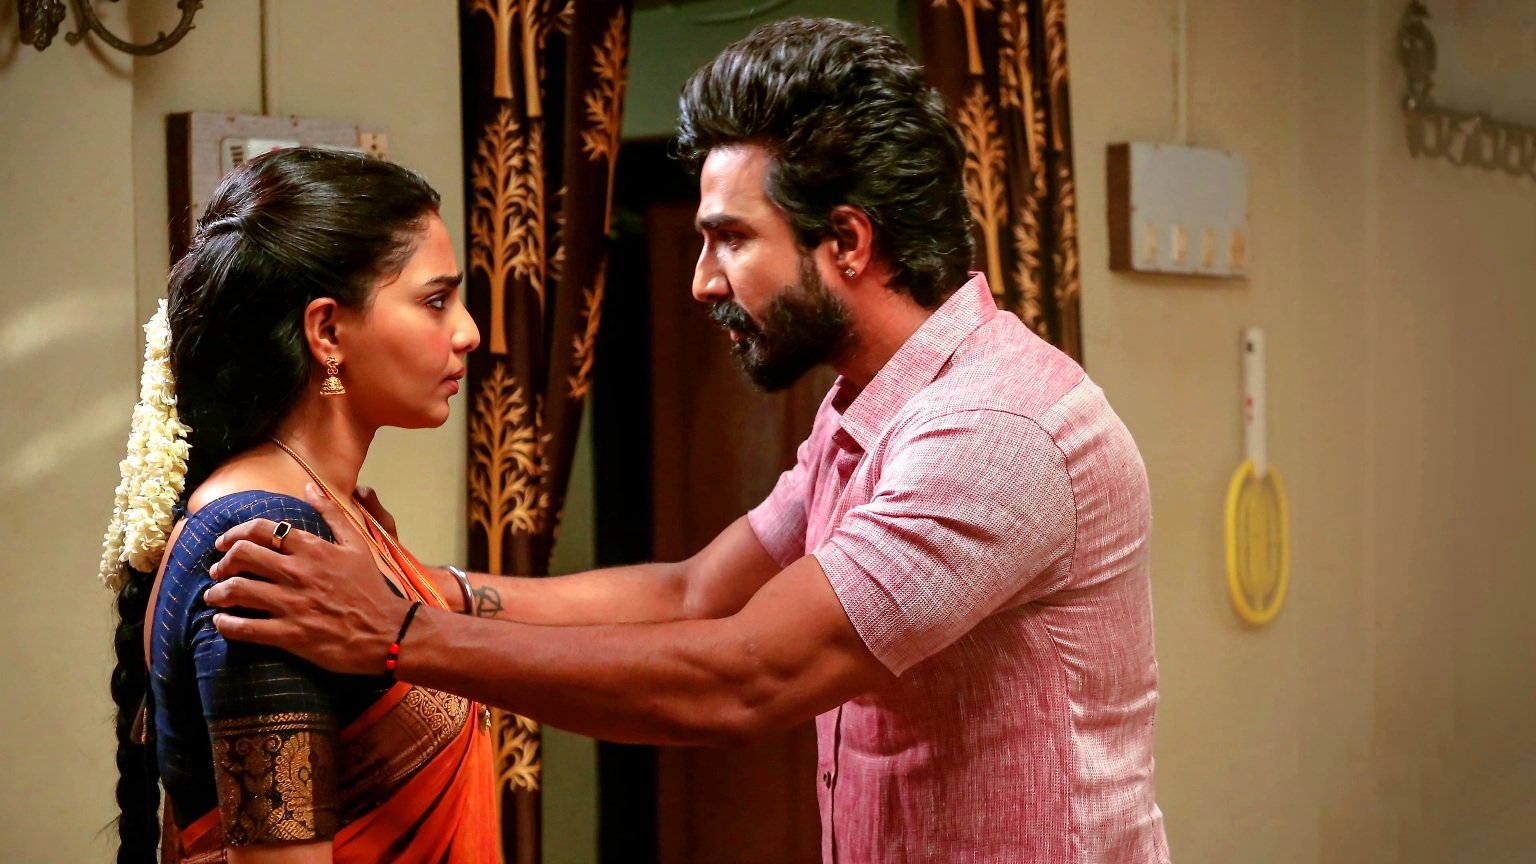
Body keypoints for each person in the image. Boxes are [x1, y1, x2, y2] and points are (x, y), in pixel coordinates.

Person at [206, 18, 1171, 863]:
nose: (703, 280)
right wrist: (432, 590)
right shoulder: (866, 404)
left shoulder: (991, 433)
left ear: (847, 242)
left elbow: (746, 677)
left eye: (732, 239)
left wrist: (399, 635)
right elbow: (695, 592)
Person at [100, 147, 497, 863]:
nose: (468, 331)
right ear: (328, 332)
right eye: (436, 301)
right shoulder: (265, 544)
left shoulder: (337, 516)